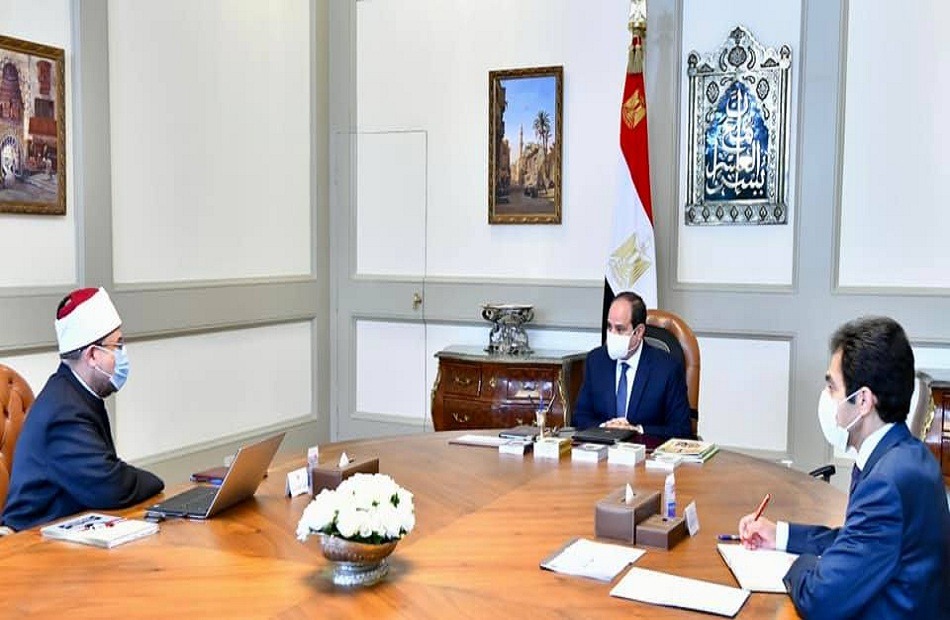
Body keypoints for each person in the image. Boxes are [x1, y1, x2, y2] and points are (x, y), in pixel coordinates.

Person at [738, 316, 950, 618]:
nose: (827, 398)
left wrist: (794, 565)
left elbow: (821, 599)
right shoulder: (905, 454)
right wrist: (780, 536)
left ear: (863, 400)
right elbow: (857, 539)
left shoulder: (886, 481)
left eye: (832, 387)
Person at [2, 287, 164, 531]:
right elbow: (111, 487)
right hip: (30, 542)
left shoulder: (77, 394)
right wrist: (156, 482)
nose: (122, 354)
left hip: (68, 530)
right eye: (117, 345)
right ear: (92, 356)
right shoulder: (63, 411)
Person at [572, 292, 692, 439]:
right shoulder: (596, 361)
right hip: (603, 450)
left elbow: (681, 430)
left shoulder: (667, 369)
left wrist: (636, 430)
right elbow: (579, 417)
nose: (612, 334)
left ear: (639, 332)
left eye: (620, 329)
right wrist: (605, 428)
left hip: (646, 451)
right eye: (609, 327)